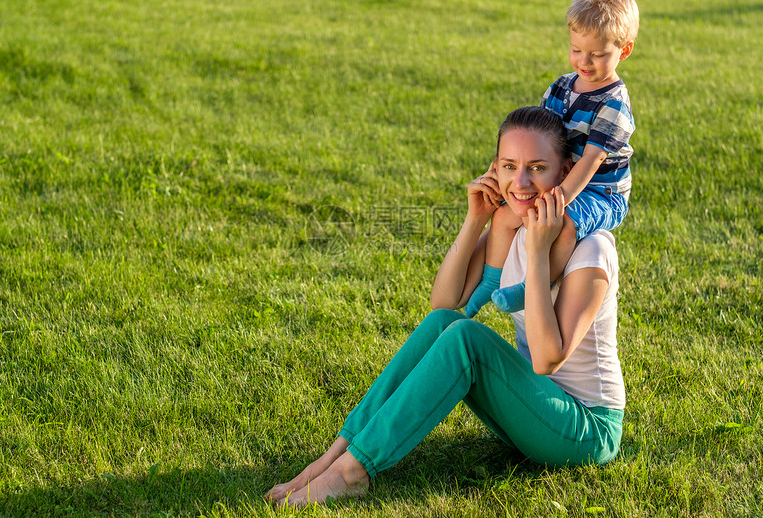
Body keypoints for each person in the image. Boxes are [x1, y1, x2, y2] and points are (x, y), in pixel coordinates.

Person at [266, 107, 626, 507]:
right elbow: (443, 305)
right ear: (495, 167)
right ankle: (334, 457)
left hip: (586, 430)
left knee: (467, 340)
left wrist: (539, 253)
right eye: (509, 166)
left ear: (566, 172)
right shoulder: (512, 226)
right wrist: (476, 219)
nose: (520, 182)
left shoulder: (592, 250)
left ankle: (353, 472)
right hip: (529, 407)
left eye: (537, 168)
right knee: (446, 324)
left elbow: (546, 360)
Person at [465, 0, 639, 317]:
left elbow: (590, 162)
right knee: (502, 218)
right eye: (576, 50)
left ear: (625, 50)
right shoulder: (562, 87)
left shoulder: (614, 104)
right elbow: (535, 136)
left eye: (598, 54)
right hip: (560, 176)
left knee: (565, 223)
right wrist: (504, 175)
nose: (584, 62)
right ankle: (490, 280)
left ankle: (536, 285)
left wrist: (557, 201)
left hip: (600, 191)